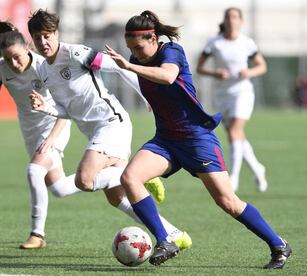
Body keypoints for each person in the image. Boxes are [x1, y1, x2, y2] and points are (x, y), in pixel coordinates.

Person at [105, 10, 291, 268]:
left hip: (196, 139)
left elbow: (168, 76)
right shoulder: (137, 59)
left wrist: (130, 65)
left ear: (154, 39)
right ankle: (165, 240)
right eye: (130, 49)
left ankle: (278, 245)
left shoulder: (171, 51)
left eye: (138, 47)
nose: (134, 53)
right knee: (129, 177)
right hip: (166, 140)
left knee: (228, 202)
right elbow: (147, 80)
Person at [27, 9, 192, 250]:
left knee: (85, 180)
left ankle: (139, 174)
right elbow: (67, 110)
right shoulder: (44, 70)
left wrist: (145, 93)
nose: (43, 42)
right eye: (37, 37)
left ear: (56, 33)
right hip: (95, 132)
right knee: (117, 199)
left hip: (112, 124)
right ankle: (174, 233)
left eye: (47, 35)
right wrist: (47, 108)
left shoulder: (75, 53)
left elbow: (119, 66)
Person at [0, 21, 80, 249]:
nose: (14, 63)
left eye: (17, 57)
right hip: (30, 132)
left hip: (54, 125)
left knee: (33, 170)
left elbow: (65, 106)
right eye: (8, 59)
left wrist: (50, 139)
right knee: (60, 188)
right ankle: (112, 176)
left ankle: (37, 235)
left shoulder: (43, 66)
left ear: (27, 47)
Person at [196, 7, 268, 192]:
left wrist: (249, 72)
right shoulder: (215, 42)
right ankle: (257, 168)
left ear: (241, 21)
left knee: (236, 130)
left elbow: (261, 66)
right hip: (222, 95)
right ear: (224, 20)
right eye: (228, 16)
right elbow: (200, 67)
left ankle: (232, 178)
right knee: (235, 136)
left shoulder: (247, 43)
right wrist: (215, 73)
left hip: (242, 92)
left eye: (235, 17)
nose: (231, 20)